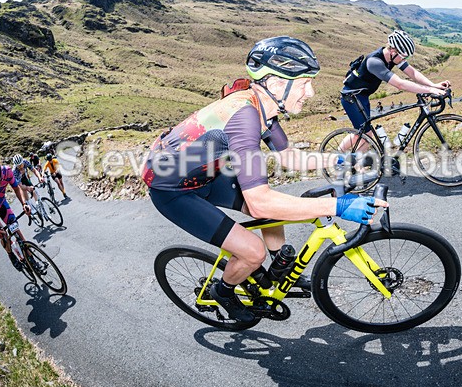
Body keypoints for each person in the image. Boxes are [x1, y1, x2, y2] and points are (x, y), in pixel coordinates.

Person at [142, 36, 387, 322]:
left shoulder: (263, 108)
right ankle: (223, 291)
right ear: (276, 84)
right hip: (172, 190)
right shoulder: (245, 118)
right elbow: (260, 204)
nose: (311, 92)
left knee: (276, 211)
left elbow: (289, 157)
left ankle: (280, 272)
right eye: (305, 82)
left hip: (207, 173)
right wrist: (340, 207)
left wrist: (341, 159)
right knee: (252, 250)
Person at [341, 29, 449, 133]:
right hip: (351, 98)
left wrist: (433, 85)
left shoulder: (392, 57)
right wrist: (429, 90)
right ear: (393, 51)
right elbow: (400, 84)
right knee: (365, 135)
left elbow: (412, 73)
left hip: (362, 96)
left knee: (364, 136)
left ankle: (351, 152)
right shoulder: (374, 62)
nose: (404, 60)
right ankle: (337, 152)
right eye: (403, 57)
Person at [11, 154, 43, 225]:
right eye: (18, 166)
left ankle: (38, 205)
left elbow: (34, 170)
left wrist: (39, 177)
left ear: (23, 161)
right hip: (19, 182)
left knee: (33, 190)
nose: (20, 167)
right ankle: (30, 207)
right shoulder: (14, 171)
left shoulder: (25, 162)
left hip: (24, 177)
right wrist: (28, 188)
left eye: (21, 164)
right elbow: (21, 186)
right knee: (24, 190)